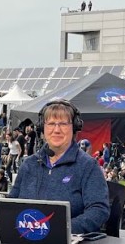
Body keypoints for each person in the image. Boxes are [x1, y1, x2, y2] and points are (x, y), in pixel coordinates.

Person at [9, 99, 109, 234]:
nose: (56, 130)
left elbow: (98, 210)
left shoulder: (88, 166)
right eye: (51, 124)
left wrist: (62, 228)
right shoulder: (29, 164)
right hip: (27, 242)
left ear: (74, 127)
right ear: (41, 128)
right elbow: (10, 205)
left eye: (63, 124)